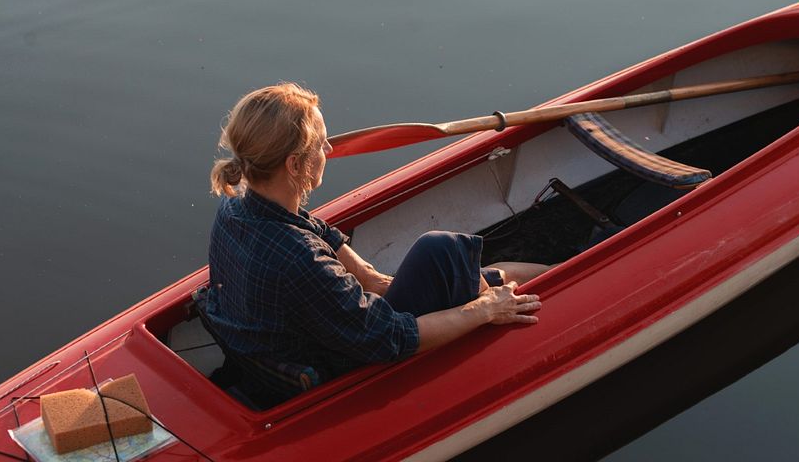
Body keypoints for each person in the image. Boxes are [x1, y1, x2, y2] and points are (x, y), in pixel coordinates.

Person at [205, 82, 546, 406]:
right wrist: (485, 310)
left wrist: (373, 279)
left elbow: (319, 233)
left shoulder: (235, 207)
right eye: (322, 144)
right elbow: (393, 337)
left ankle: (541, 275)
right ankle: (545, 283)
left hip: (291, 345)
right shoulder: (300, 260)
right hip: (340, 369)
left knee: (456, 263)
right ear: (295, 165)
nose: (328, 150)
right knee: (443, 252)